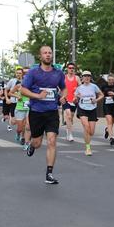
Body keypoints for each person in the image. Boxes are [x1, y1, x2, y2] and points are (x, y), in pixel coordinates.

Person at [21, 45, 67, 184]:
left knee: (52, 141)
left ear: (52, 55)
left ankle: (49, 173)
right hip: (36, 112)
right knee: (37, 142)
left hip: (52, 112)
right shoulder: (33, 73)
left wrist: (63, 96)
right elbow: (23, 90)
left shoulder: (58, 73)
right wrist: (37, 96)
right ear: (40, 56)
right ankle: (32, 145)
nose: (48, 55)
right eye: (45, 53)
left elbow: (63, 88)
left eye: (50, 53)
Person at [75, 70, 104, 156]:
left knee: (91, 132)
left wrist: (96, 100)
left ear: (90, 78)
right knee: (86, 127)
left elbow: (102, 95)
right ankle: (88, 148)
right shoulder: (79, 88)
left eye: (88, 76)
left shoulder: (94, 86)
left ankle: (87, 136)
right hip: (82, 109)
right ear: (82, 78)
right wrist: (76, 98)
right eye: (85, 76)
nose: (87, 77)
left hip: (92, 109)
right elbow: (75, 98)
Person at [9, 76, 31, 150]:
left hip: (29, 108)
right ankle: (18, 133)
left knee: (28, 126)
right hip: (20, 108)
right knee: (20, 128)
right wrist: (17, 96)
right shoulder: (19, 86)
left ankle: (26, 143)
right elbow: (10, 93)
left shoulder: (33, 86)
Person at [62, 62, 81, 141]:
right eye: (69, 68)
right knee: (69, 116)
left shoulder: (76, 78)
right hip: (65, 99)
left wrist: (77, 95)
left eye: (72, 68)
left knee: (71, 118)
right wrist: (62, 96)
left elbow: (81, 88)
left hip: (74, 100)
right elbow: (60, 88)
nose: (71, 69)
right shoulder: (64, 77)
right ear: (67, 69)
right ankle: (70, 134)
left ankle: (67, 130)